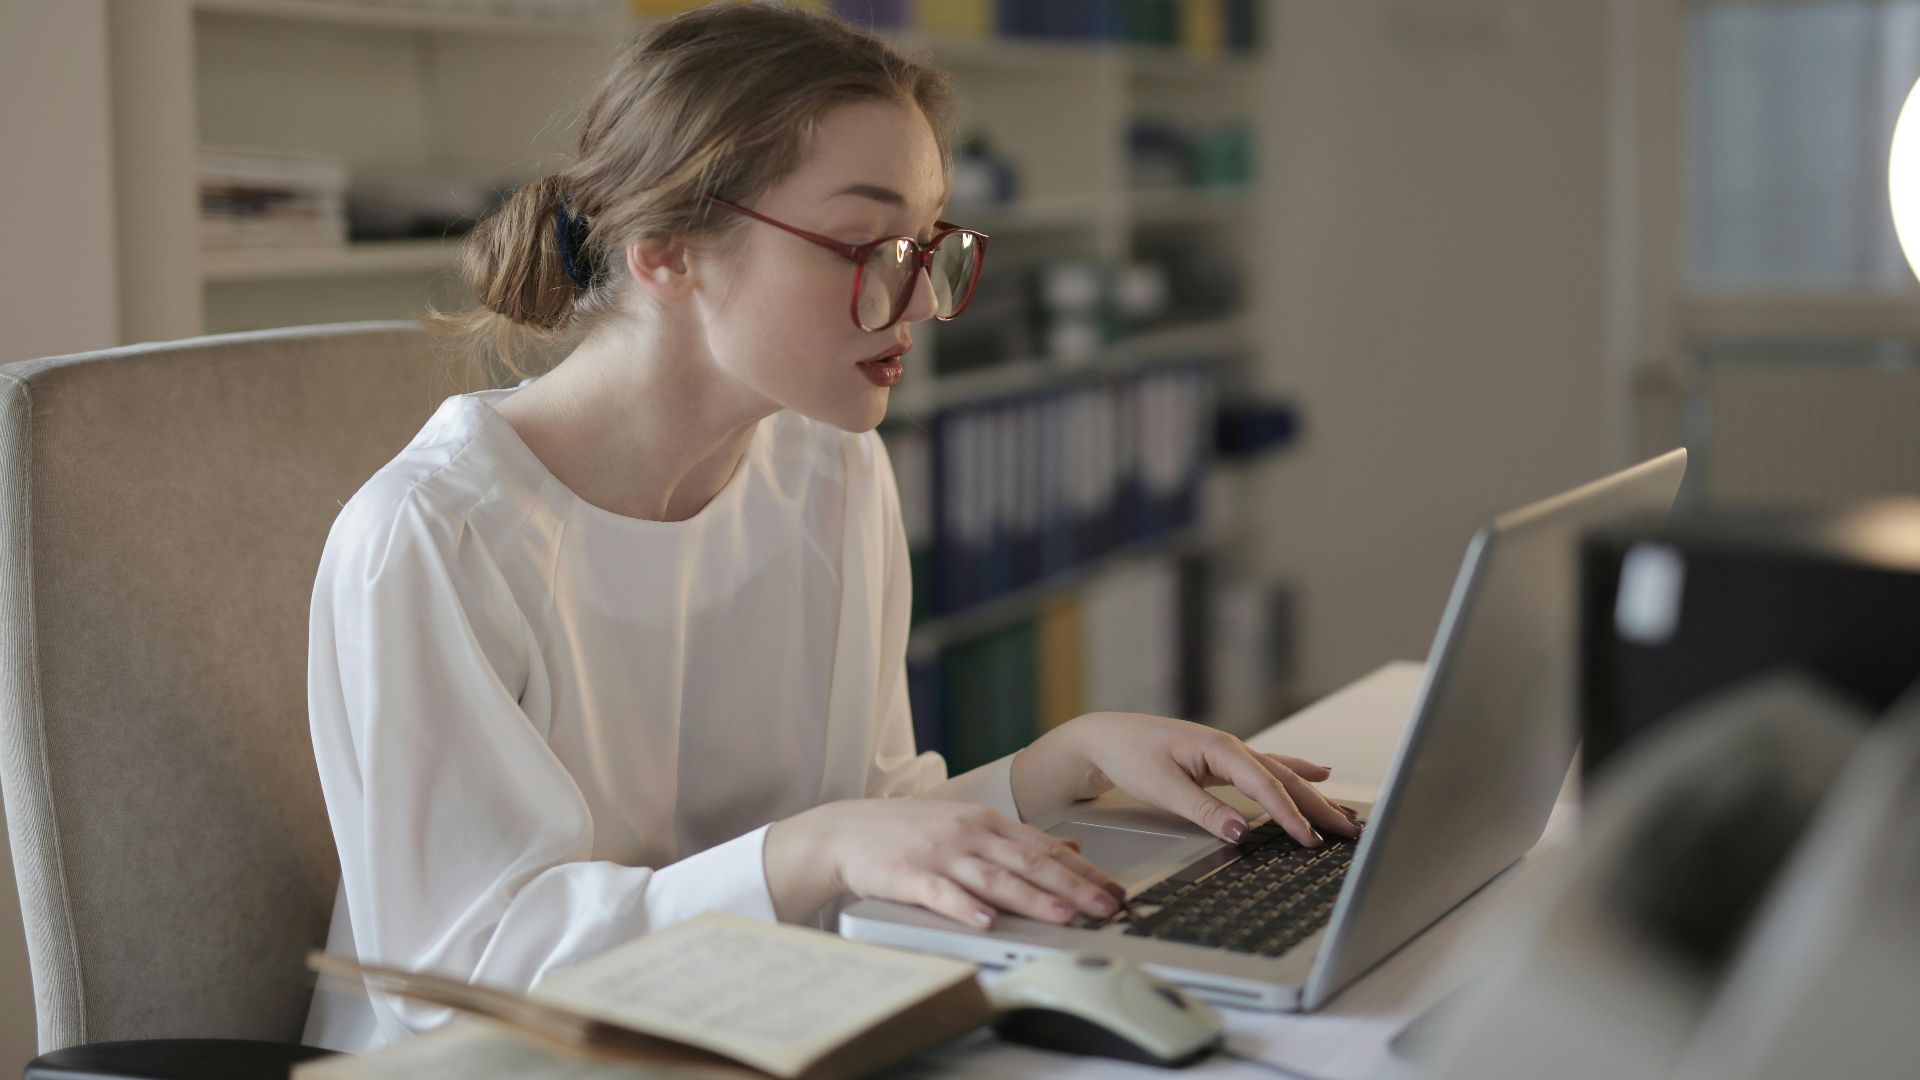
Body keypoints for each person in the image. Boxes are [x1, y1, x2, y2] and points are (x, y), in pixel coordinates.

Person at [301, 0, 1359, 1053]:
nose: (925, 303)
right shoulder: (435, 536)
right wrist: (817, 848)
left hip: (755, 1030)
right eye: (865, 243)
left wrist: (1069, 764)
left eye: (927, 243)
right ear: (666, 253)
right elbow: (450, 980)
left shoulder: (829, 464)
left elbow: (870, 818)